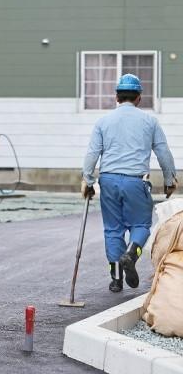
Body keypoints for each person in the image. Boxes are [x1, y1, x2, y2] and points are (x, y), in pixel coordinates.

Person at [82, 73, 177, 293]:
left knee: (113, 230)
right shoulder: (149, 121)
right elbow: (163, 152)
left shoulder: (103, 122)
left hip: (109, 180)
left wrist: (87, 180)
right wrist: (169, 179)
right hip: (136, 181)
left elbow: (92, 153)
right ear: (139, 98)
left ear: (116, 97)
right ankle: (132, 254)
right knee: (141, 225)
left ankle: (116, 280)